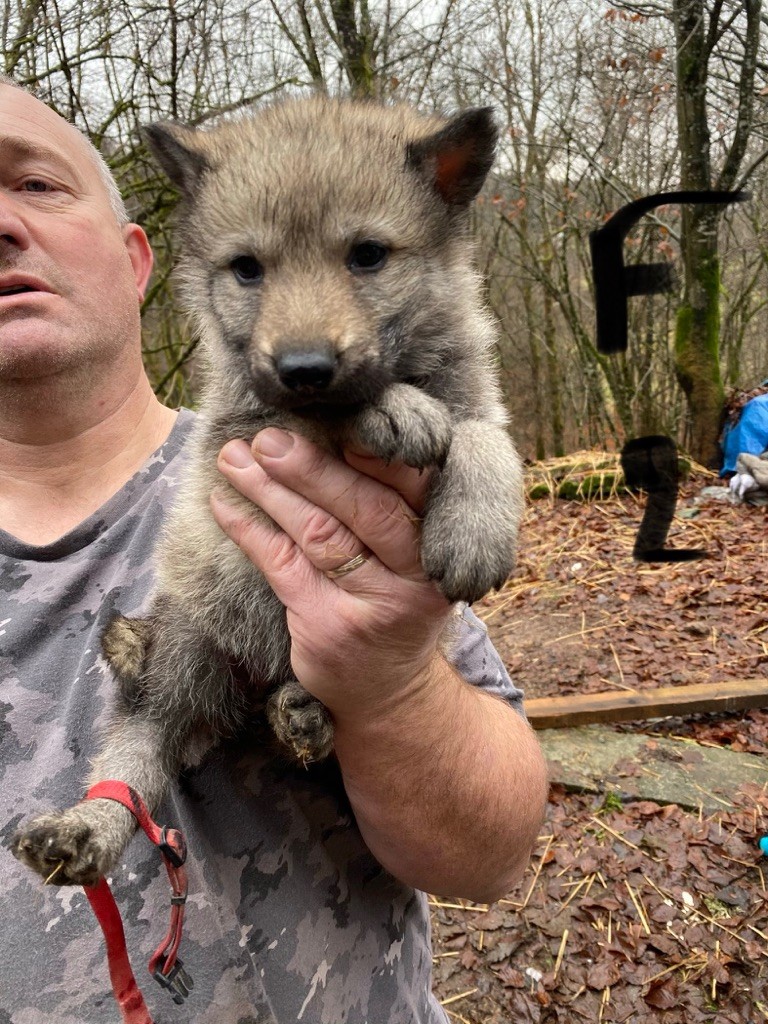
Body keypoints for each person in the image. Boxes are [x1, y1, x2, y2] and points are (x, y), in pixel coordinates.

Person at [0, 75, 548, 1024]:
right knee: (160, 705)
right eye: (247, 269)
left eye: (35, 186)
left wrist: (392, 681)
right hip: (198, 650)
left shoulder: (319, 428)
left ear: (136, 260)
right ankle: (110, 811)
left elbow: (494, 857)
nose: (300, 331)